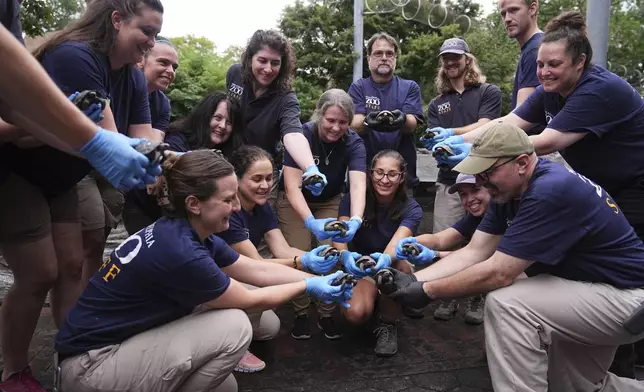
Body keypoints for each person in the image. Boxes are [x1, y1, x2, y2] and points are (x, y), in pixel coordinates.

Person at [54, 150, 353, 392]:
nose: (237, 207)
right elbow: (248, 300)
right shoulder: (180, 251)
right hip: (90, 368)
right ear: (194, 204)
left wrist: (315, 273)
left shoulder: (186, 231)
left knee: (225, 386)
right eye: (228, 200)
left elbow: (253, 271)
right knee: (234, 327)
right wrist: (308, 287)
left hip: (109, 348)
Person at [385, 122, 644, 391]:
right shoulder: (506, 193)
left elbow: (499, 272)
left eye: (487, 173)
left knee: (507, 303)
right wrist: (411, 280)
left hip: (627, 299)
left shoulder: (550, 189)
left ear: (521, 163)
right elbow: (474, 252)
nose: (482, 182)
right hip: (592, 291)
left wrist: (428, 291)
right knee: (581, 386)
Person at [29, 0, 164, 308]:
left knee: (72, 264)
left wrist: (170, 162)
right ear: (117, 20)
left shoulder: (132, 76)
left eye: (156, 34)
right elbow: (113, 142)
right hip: (25, 171)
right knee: (37, 276)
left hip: (62, 176)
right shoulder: (75, 56)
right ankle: (19, 358)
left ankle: (71, 347)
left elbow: (142, 140)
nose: (152, 43)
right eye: (147, 31)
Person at [219, 145, 343, 370]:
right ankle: (231, 349)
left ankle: (232, 329)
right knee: (259, 289)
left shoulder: (261, 208)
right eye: (256, 179)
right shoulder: (231, 211)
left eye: (269, 178)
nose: (265, 186)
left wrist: (333, 257)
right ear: (236, 178)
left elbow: (283, 250)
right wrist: (304, 266)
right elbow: (256, 266)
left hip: (242, 274)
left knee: (269, 328)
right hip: (224, 278)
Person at [276, 89, 367, 340]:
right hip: (296, 201)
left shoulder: (353, 142)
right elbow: (292, 186)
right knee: (300, 252)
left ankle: (326, 311)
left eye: (342, 122)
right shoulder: (302, 134)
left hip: (329, 199)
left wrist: (356, 218)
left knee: (331, 252)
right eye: (330, 120)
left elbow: (358, 184)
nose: (336, 127)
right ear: (319, 115)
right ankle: (301, 312)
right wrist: (309, 222)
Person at [333, 149, 423, 357]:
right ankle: (375, 305)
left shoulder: (412, 208)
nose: (384, 179)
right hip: (359, 266)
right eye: (379, 172)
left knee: (402, 266)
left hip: (389, 263)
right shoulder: (354, 199)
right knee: (356, 314)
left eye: (392, 174)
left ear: (401, 177)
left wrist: (381, 261)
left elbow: (396, 245)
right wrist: (345, 256)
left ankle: (388, 323)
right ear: (370, 173)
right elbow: (340, 233)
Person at [226, 29, 327, 204]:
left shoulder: (286, 97)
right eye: (262, 60)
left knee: (261, 220)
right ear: (250, 59)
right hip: (230, 159)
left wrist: (310, 168)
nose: (268, 69)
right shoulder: (235, 74)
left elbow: (293, 133)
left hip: (263, 168)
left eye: (275, 63)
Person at [421, 37, 500, 235]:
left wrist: (451, 133)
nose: (450, 62)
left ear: (467, 59)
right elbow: (435, 142)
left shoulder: (488, 92)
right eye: (446, 58)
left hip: (484, 181)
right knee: (443, 239)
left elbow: (486, 126)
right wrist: (434, 144)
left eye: (455, 57)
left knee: (490, 242)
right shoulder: (436, 104)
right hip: (450, 182)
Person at [397, 173, 490, 324]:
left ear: (490, 187)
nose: (469, 199)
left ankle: (476, 297)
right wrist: (411, 241)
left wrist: (435, 256)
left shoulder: (501, 211)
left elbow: (483, 259)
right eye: (463, 194)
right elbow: (441, 238)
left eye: (475, 190)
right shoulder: (475, 217)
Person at [348, 32, 424, 195]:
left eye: (389, 53)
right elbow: (354, 123)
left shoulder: (410, 87)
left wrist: (402, 120)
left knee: (404, 219)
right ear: (368, 59)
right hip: (365, 174)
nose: (384, 57)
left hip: (402, 176)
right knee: (361, 220)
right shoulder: (358, 87)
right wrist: (368, 121)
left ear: (395, 58)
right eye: (378, 53)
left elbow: (412, 123)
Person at [122, 37, 179, 236]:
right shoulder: (122, 87)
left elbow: (152, 143)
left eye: (174, 66)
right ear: (141, 61)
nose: (171, 71)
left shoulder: (162, 103)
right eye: (163, 63)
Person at [164, 92, 241, 156]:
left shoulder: (230, 154)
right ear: (204, 116)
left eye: (229, 122)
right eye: (218, 118)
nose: (223, 126)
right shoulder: (176, 141)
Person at [499, 0, 542, 110]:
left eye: (514, 10)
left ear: (532, 8)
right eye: (503, 14)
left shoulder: (535, 50)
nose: (507, 19)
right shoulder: (533, 47)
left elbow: (522, 115)